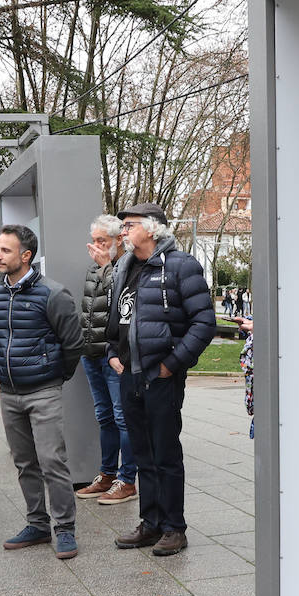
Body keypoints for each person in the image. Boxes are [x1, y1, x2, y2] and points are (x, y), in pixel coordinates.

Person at [106, 202, 216, 556]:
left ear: (152, 229)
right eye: (122, 227)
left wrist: (172, 364)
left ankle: (174, 527)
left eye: (130, 226)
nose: (123, 232)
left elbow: (203, 322)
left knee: (165, 452)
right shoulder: (124, 267)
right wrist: (112, 353)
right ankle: (150, 523)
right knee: (142, 453)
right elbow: (117, 320)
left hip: (162, 376)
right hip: (130, 375)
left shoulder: (181, 266)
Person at [0, 225, 84, 559]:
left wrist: (55, 376)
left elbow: (73, 343)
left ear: (25, 256)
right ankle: (37, 524)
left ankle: (65, 529)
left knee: (51, 461)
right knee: (24, 462)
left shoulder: (53, 294)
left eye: (5, 250)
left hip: (44, 390)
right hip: (8, 392)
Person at [73, 215, 138, 506]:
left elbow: (119, 301)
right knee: (105, 417)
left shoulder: (127, 267)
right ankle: (107, 475)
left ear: (118, 242)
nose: (97, 246)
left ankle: (127, 480)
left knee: (123, 418)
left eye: (103, 241)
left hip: (115, 358)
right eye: (95, 240)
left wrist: (105, 267)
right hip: (91, 354)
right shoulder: (96, 268)